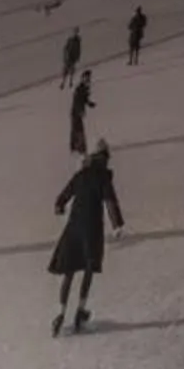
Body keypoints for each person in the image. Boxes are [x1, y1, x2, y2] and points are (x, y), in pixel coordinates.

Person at [48, 142, 125, 335]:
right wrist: (117, 225)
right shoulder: (103, 178)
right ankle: (80, 312)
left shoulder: (81, 175)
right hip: (91, 230)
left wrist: (59, 206)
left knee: (69, 271)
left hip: (74, 228)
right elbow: (109, 200)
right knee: (88, 270)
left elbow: (63, 196)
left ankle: (59, 313)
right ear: (104, 157)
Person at [67, 69, 98, 155]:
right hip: (75, 112)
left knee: (77, 129)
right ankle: (78, 148)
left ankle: (77, 147)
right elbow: (76, 100)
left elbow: (84, 99)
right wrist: (79, 110)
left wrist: (90, 104)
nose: (88, 79)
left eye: (89, 77)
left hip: (78, 112)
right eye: (87, 77)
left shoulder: (85, 88)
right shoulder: (80, 88)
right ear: (83, 78)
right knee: (77, 129)